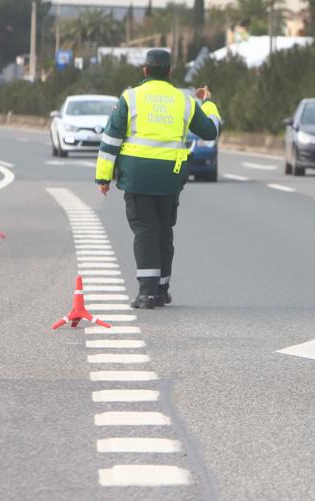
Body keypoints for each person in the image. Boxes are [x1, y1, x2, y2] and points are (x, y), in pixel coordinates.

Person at [95, 48, 221, 309]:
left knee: (144, 231)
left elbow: (110, 140)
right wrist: (208, 103)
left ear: (145, 71)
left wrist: (103, 177)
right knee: (164, 232)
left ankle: (145, 294)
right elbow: (210, 131)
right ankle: (162, 290)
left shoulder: (130, 98)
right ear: (170, 72)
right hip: (170, 177)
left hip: (137, 176)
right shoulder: (185, 100)